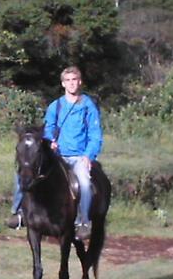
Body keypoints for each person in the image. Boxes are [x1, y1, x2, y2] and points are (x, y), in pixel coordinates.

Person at [8, 65, 103, 238]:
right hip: (57, 156)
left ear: (80, 82)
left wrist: (88, 156)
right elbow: (48, 127)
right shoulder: (55, 106)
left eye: (74, 80)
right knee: (23, 174)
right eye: (68, 80)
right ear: (63, 84)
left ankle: (83, 222)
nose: (72, 83)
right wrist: (50, 140)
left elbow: (95, 135)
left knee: (83, 183)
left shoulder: (88, 106)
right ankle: (18, 213)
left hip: (78, 156)